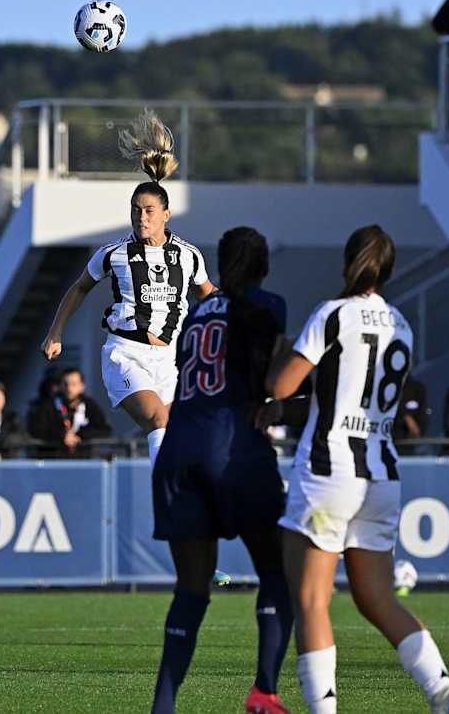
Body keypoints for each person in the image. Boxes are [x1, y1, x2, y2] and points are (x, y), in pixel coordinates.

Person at [267, 226, 449, 714]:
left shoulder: (331, 314)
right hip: (380, 472)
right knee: (378, 598)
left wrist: (277, 368)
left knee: (312, 600)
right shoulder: (402, 324)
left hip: (328, 470)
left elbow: (282, 387)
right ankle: (445, 693)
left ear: (348, 262)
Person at [150, 227, 295, 714]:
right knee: (278, 571)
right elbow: (273, 380)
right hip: (232, 446)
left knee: (191, 589)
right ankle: (264, 691)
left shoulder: (194, 314)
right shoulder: (266, 304)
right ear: (263, 265)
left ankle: (163, 705)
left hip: (177, 450)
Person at [40, 110, 214, 469]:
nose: (142, 217)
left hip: (168, 362)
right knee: (160, 421)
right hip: (125, 354)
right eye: (136, 210)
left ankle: (179, 499)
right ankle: (163, 497)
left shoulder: (188, 256)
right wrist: (56, 331)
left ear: (166, 214)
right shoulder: (114, 254)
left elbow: (209, 296)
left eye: (149, 210)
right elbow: (78, 289)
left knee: (179, 431)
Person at [27, 368, 113, 458]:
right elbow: (36, 430)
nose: (69, 388)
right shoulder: (48, 405)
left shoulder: (90, 406)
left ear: (82, 386)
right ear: (60, 386)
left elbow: (105, 429)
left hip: (84, 462)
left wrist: (80, 436)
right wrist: (61, 436)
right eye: (65, 384)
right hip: (53, 462)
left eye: (74, 384)